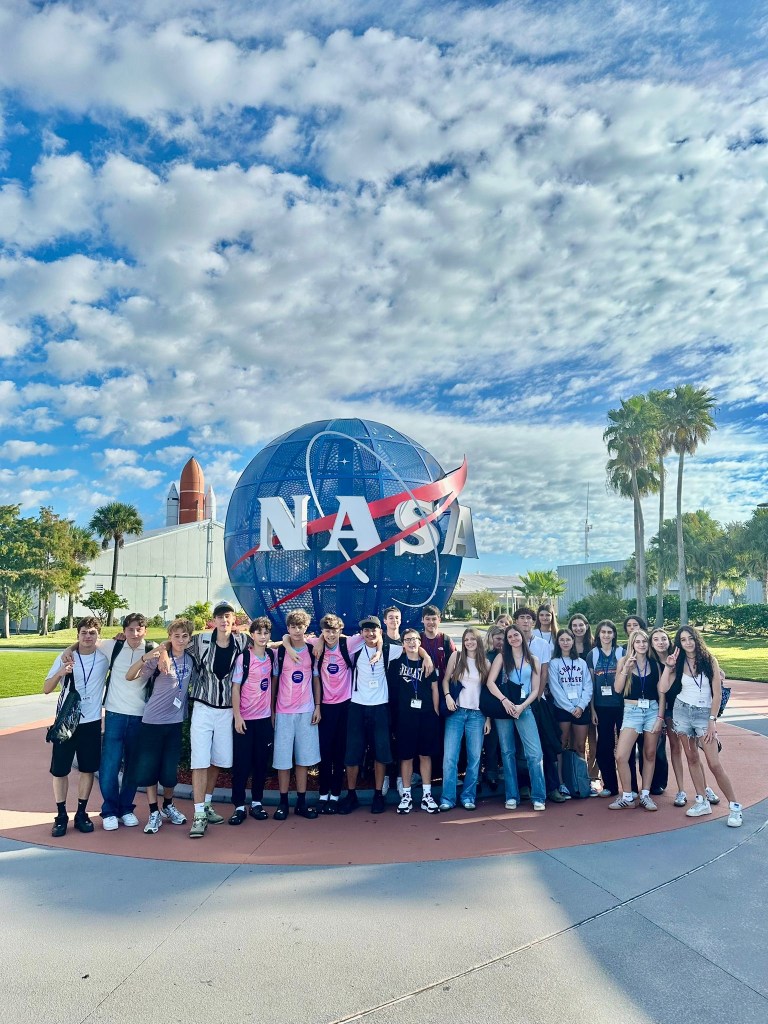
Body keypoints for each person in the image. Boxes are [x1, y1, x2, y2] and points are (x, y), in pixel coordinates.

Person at [60, 612, 156, 830]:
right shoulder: (113, 646)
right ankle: (110, 810)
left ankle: (126, 808)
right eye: (130, 629)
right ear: (124, 631)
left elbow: (169, 647)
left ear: (145, 631)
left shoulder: (151, 649)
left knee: (132, 765)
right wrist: (68, 649)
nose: (134, 633)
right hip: (114, 713)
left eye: (138, 629)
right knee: (110, 765)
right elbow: (87, 640)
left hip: (139, 715)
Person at [659, 626, 742, 826]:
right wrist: (668, 667)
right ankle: (701, 800)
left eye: (691, 638)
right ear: (679, 643)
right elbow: (663, 688)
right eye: (683, 640)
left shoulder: (709, 660)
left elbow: (717, 693)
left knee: (714, 763)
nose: (688, 643)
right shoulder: (678, 662)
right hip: (682, 712)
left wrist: (712, 720)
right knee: (692, 758)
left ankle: (735, 807)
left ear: (697, 639)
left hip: (704, 715)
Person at [182, 601, 249, 838]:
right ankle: (199, 814)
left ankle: (207, 803)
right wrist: (161, 654)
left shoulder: (242, 641)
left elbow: (267, 643)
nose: (224, 620)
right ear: (214, 620)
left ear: (233, 620)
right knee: (200, 761)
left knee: (218, 759)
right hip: (203, 708)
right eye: (220, 616)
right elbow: (175, 643)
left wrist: (313, 641)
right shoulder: (200, 641)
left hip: (227, 711)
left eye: (228, 616)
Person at [126, 619, 195, 834]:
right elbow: (130, 676)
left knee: (169, 771)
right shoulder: (158, 658)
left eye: (184, 636)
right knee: (150, 769)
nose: (180, 640)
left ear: (189, 638)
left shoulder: (191, 658)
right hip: (152, 722)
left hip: (175, 723)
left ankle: (168, 805)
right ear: (170, 637)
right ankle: (153, 811)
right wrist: (149, 656)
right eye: (176, 636)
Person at [44, 617, 110, 837]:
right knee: (60, 770)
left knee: (88, 769)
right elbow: (46, 688)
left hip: (91, 722)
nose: (88, 636)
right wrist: (60, 672)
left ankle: (81, 813)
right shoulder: (65, 658)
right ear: (78, 635)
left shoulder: (104, 657)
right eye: (84, 632)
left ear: (98, 635)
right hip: (66, 723)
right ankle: (61, 815)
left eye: (92, 632)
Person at [650, 626, 720, 809]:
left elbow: (703, 672)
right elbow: (661, 690)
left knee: (693, 752)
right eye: (656, 639)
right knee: (676, 748)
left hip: (688, 709)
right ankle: (681, 790)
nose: (660, 642)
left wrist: (718, 672)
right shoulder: (653, 661)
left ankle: (704, 788)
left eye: (663, 639)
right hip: (670, 710)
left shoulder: (679, 657)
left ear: (670, 641)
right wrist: (661, 716)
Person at [337, 616, 401, 815]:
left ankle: (378, 795)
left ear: (380, 631)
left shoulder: (389, 650)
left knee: (380, 753)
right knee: (352, 754)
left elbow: (414, 648)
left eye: (374, 630)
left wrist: (426, 657)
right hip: (357, 706)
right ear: (361, 633)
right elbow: (331, 638)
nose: (370, 633)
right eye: (366, 630)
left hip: (380, 707)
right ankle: (351, 795)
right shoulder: (354, 649)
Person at [485, 624, 546, 811]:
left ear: (522, 636)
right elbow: (490, 682)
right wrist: (504, 701)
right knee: (507, 752)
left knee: (535, 753)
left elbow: (535, 689)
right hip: (505, 708)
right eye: (509, 636)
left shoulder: (533, 659)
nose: (513, 639)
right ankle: (511, 795)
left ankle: (538, 796)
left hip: (523, 708)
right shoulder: (502, 657)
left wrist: (522, 706)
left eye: (516, 635)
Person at [512, 606, 566, 802]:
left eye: (529, 618)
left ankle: (552, 787)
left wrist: (536, 696)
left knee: (546, 744)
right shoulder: (511, 642)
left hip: (537, 701)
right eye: (522, 618)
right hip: (515, 703)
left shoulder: (542, 645)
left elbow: (544, 673)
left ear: (533, 622)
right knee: (520, 746)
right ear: (516, 621)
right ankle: (524, 785)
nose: (525, 621)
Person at [272, 609, 321, 820]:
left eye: (300, 627)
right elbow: (274, 681)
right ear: (288, 628)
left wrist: (317, 706)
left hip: (306, 711)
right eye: (292, 627)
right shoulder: (280, 652)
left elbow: (316, 678)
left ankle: (301, 802)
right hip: (284, 712)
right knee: (283, 760)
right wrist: (272, 710)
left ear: (306, 627)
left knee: (303, 759)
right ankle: (283, 802)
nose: (296, 631)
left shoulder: (312, 649)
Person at [228, 617, 276, 825]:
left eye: (266, 633)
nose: (263, 637)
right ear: (252, 635)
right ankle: (239, 806)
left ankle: (257, 802)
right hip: (245, 720)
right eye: (259, 633)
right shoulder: (244, 658)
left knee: (260, 764)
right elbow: (235, 688)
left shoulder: (271, 656)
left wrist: (272, 712)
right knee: (242, 764)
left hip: (264, 720)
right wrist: (237, 716)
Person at [387, 628, 441, 814]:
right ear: (403, 643)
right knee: (406, 756)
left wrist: (435, 710)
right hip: (405, 716)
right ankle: (407, 795)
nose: (411, 642)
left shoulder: (427, 663)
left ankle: (427, 795)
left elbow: (434, 688)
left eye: (415, 639)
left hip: (426, 714)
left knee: (425, 755)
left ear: (420, 642)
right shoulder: (396, 663)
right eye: (408, 639)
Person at [609, 629, 664, 811]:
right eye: (638, 642)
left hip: (652, 710)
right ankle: (627, 796)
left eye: (644, 642)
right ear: (632, 644)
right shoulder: (624, 661)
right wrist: (626, 669)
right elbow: (618, 689)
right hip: (631, 710)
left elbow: (661, 693)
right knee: (621, 755)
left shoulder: (654, 664)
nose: (641, 645)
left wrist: (660, 717)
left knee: (650, 753)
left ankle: (645, 795)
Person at [439, 628, 492, 812]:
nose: (469, 642)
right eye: (466, 639)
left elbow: (488, 692)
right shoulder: (457, 656)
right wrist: (447, 696)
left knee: (474, 758)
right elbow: (445, 680)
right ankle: (448, 797)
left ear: (478, 641)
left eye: (472, 639)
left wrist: (488, 718)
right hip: (456, 713)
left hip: (477, 715)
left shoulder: (485, 662)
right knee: (450, 757)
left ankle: (468, 796)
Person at [547, 628, 593, 798]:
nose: (565, 642)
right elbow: (555, 688)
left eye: (568, 639)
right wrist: (570, 708)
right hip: (563, 709)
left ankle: (582, 781)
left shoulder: (581, 662)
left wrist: (580, 706)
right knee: (562, 744)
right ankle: (561, 783)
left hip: (581, 709)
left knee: (580, 746)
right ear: (558, 642)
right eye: (562, 640)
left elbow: (588, 686)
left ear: (573, 641)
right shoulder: (554, 663)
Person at [588, 620, 624, 798]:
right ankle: (610, 785)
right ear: (598, 634)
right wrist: (592, 709)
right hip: (602, 707)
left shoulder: (621, 652)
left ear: (614, 634)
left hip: (622, 706)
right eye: (603, 632)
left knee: (625, 748)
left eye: (610, 632)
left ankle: (631, 787)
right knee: (604, 746)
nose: (606, 635)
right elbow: (590, 684)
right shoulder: (593, 654)